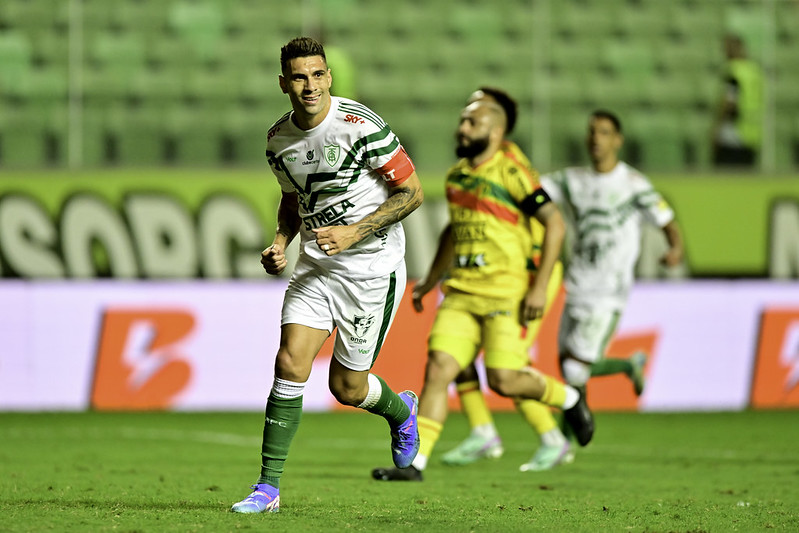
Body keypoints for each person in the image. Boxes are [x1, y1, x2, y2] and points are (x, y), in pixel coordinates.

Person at [231, 37, 424, 513]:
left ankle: (401, 412)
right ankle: (267, 489)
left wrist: (355, 232)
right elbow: (293, 200)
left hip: (372, 272)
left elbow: (413, 192)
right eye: (299, 77)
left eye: (318, 75)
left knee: (347, 388)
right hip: (317, 267)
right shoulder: (278, 140)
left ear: (329, 77)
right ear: (284, 84)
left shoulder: (360, 127)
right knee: (290, 364)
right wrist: (280, 242)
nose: (310, 85)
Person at [371, 99, 594, 482]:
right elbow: (454, 231)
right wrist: (430, 279)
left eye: (471, 123)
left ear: (494, 132)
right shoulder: (457, 176)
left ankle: (569, 399)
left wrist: (539, 288)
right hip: (461, 292)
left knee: (504, 380)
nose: (462, 128)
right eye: (462, 121)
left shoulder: (512, 172)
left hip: (506, 292)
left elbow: (554, 224)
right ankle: (416, 464)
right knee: (439, 370)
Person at [439, 87, 572, 473]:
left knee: (507, 367)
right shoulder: (472, 165)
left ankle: (553, 437)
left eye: (477, 109)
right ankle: (482, 430)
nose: (466, 121)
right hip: (485, 277)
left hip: (528, 274)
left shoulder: (508, 160)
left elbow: (549, 221)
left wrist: (536, 283)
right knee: (456, 355)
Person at [542, 110, 683, 460]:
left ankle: (563, 446)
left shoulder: (634, 185)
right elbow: (531, 189)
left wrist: (675, 248)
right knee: (567, 367)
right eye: (592, 132)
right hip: (578, 282)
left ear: (617, 140)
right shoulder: (572, 180)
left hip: (609, 288)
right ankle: (628, 365)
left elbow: (666, 220)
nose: (596, 138)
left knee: (576, 369)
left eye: (604, 132)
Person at [712, 33, 764, 167]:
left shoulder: (733, 71)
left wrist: (717, 128)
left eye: (727, 48)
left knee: (727, 177)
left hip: (734, 132)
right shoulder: (754, 70)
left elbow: (730, 101)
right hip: (753, 131)